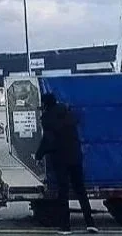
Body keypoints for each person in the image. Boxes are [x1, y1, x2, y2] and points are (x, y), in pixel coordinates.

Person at [35, 92, 98, 234]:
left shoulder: (47, 118)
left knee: (63, 193)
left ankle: (65, 227)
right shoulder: (68, 113)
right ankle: (90, 223)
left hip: (60, 159)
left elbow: (48, 140)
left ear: (45, 104)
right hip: (75, 156)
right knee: (81, 190)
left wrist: (39, 155)